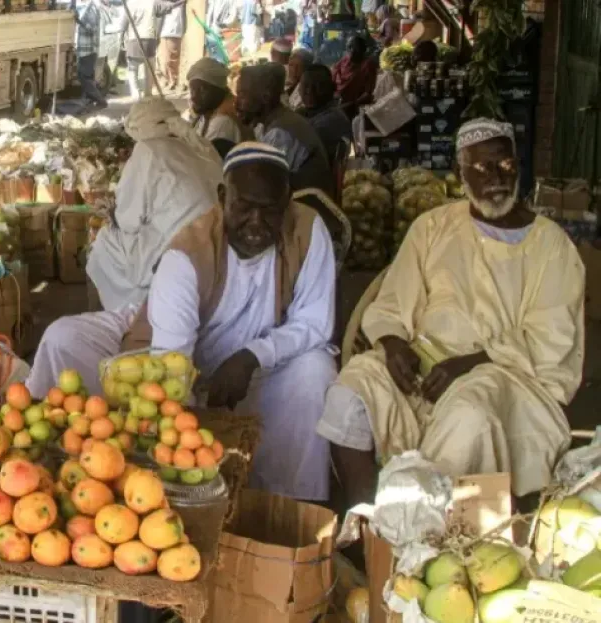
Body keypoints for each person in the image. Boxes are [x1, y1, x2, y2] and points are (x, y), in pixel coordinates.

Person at [32, 142, 337, 501]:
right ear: (223, 198)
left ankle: (290, 502)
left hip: (261, 360)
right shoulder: (186, 254)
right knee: (63, 338)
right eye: (245, 207)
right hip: (167, 343)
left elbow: (315, 323)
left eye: (270, 210)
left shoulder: (309, 231)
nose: (257, 222)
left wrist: (251, 356)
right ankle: (52, 471)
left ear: (286, 204)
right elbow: (170, 366)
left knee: (316, 370)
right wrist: (189, 442)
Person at [319, 119, 584, 505]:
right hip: (421, 368)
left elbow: (551, 337)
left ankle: (434, 535)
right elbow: (393, 300)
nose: (494, 176)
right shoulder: (433, 227)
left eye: (503, 164)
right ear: (461, 175)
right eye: (479, 167)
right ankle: (369, 524)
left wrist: (470, 364)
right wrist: (393, 345)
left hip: (507, 375)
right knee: (351, 391)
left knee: (470, 416)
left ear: (518, 166)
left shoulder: (553, 246)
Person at [77, 98, 224, 315]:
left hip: (176, 249)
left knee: (102, 245)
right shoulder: (200, 146)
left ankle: (122, 315)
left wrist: (112, 213)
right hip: (215, 244)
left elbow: (128, 220)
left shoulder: (148, 150)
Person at [236, 63, 335, 199]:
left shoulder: (281, 134)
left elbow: (262, 189)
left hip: (309, 214)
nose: (236, 103)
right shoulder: (274, 122)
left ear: (266, 96)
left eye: (242, 95)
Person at [187, 58, 251, 158]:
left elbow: (202, 160)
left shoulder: (223, 121)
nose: (194, 96)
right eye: (192, 90)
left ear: (219, 90)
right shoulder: (208, 110)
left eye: (201, 90)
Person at [124, 0, 186, 99]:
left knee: (133, 70)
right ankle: (148, 92)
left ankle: (136, 94)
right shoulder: (152, 2)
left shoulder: (129, 4)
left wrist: (122, 36)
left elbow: (124, 23)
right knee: (149, 69)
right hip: (149, 39)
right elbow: (168, 6)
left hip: (134, 40)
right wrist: (180, 3)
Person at [298, 65, 352, 167]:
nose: (310, 91)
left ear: (332, 88)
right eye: (305, 86)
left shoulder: (332, 120)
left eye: (318, 86)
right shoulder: (310, 112)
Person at [333, 35, 379, 117]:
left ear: (362, 50)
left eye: (353, 47)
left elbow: (367, 93)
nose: (350, 50)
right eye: (348, 47)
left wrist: (353, 103)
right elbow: (334, 74)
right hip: (338, 101)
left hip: (355, 106)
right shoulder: (345, 60)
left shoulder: (368, 65)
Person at [75, 0, 108, 108]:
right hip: (84, 49)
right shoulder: (87, 7)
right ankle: (88, 100)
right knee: (83, 76)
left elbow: (92, 28)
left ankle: (100, 100)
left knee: (84, 77)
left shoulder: (92, 8)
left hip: (88, 49)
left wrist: (79, 21)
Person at [158, 3, 185, 92]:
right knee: (164, 59)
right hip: (164, 32)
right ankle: (167, 80)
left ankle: (173, 81)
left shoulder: (180, 4)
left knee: (171, 59)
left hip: (174, 32)